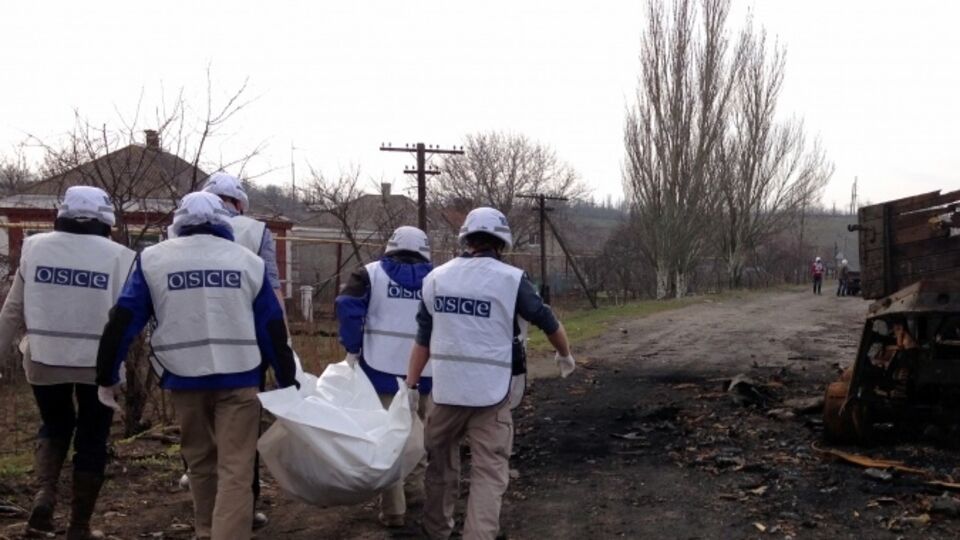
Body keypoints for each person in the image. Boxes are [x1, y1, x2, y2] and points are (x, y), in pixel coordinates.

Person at [95, 192, 297, 540]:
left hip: (183, 377)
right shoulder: (248, 261)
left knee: (200, 462)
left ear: (179, 221)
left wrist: (107, 374)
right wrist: (286, 377)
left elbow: (124, 319)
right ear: (224, 221)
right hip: (240, 377)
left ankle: (205, 531)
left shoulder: (153, 259)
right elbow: (271, 325)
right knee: (236, 468)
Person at [406, 207, 574, 540]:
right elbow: (547, 321)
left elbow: (423, 338)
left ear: (466, 239)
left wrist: (411, 383)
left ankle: (436, 530)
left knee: (440, 465)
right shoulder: (511, 280)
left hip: (446, 393)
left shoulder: (436, 279)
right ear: (501, 243)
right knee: (488, 472)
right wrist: (565, 354)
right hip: (491, 396)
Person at [0, 186, 135, 540]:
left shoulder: (34, 248)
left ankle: (44, 496)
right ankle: (79, 526)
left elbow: (12, 310)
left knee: (54, 423)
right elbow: (128, 317)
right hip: (98, 366)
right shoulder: (121, 257)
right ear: (106, 219)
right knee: (92, 437)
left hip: (44, 359)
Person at [335, 225, 434, 528]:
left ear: (390, 246)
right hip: (426, 371)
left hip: (380, 370)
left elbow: (346, 307)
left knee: (389, 439)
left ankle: (394, 511)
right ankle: (417, 492)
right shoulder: (437, 278)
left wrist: (353, 347)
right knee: (418, 433)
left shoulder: (368, 274)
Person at [201, 171, 283, 529]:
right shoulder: (256, 231)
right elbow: (273, 289)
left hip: (188, 348)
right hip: (246, 347)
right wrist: (282, 344)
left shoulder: (178, 231)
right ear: (239, 202)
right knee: (242, 436)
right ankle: (243, 509)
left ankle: (205, 512)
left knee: (199, 434)